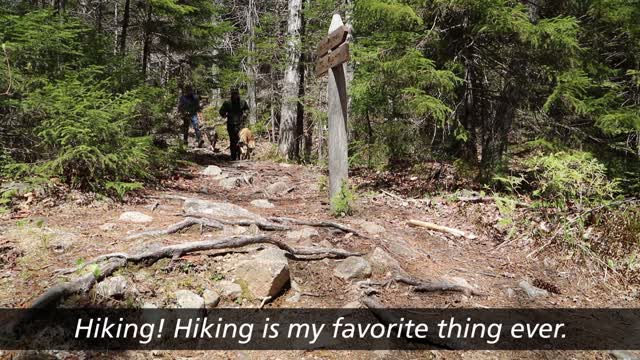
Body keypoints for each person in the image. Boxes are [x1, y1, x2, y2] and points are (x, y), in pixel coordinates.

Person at [219, 88, 250, 160]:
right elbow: (221, 111)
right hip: (231, 124)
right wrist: (225, 115)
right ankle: (233, 156)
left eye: (236, 93)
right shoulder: (227, 103)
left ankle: (239, 155)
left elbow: (247, 109)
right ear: (231, 94)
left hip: (240, 124)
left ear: (238, 94)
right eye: (233, 94)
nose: (235, 95)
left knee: (240, 140)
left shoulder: (242, 102)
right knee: (233, 140)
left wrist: (245, 114)